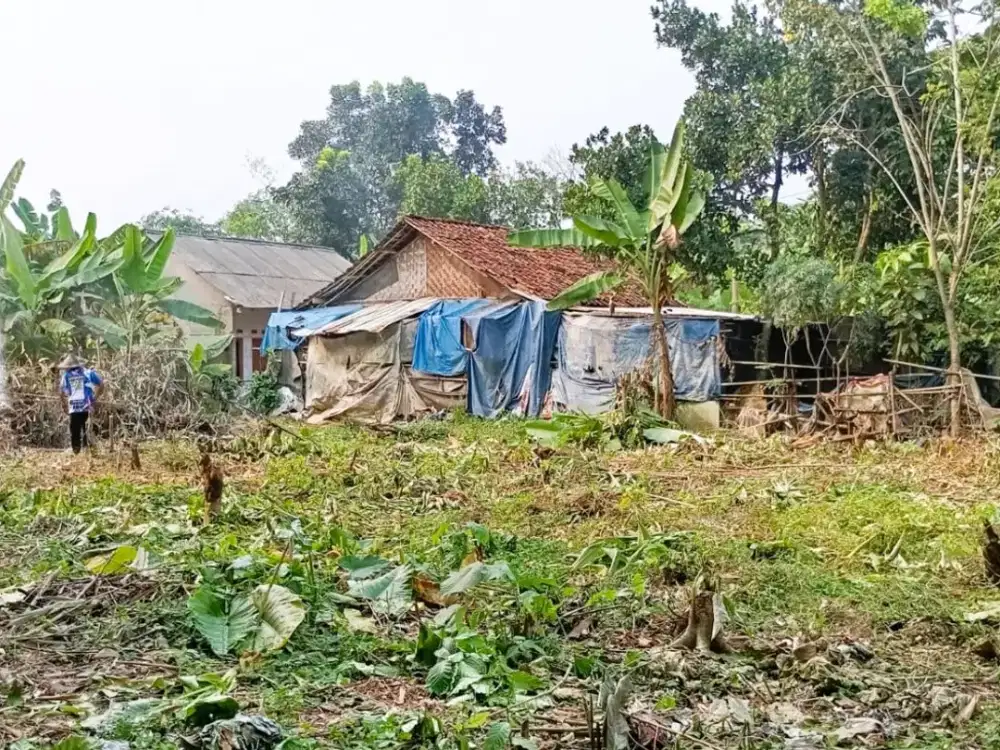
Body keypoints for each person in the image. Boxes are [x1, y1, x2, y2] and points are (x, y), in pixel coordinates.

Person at [58, 354, 104, 454]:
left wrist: (64, 404)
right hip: (87, 406)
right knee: (86, 428)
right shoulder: (88, 373)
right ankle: (87, 450)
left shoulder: (66, 376)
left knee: (75, 431)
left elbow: (61, 392)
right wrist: (94, 398)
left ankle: (77, 451)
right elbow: (101, 384)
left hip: (74, 408)